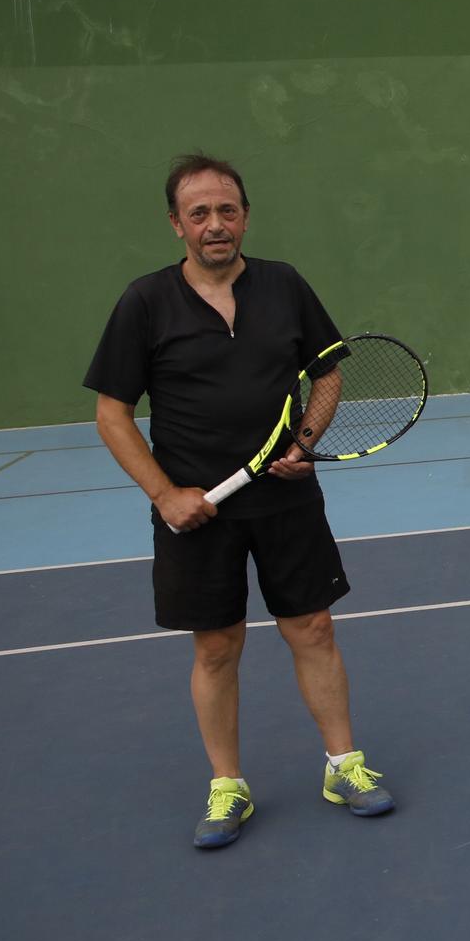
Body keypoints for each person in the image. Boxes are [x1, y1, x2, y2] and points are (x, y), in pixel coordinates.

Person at [85, 154, 396, 847]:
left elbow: (327, 375)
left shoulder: (283, 285)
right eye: (199, 213)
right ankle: (228, 785)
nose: (215, 224)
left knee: (312, 627)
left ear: (245, 216)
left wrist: (307, 440)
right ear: (176, 225)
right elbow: (112, 413)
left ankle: (345, 764)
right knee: (217, 645)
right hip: (197, 512)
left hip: (286, 498)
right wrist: (166, 494)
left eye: (227, 210)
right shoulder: (145, 302)